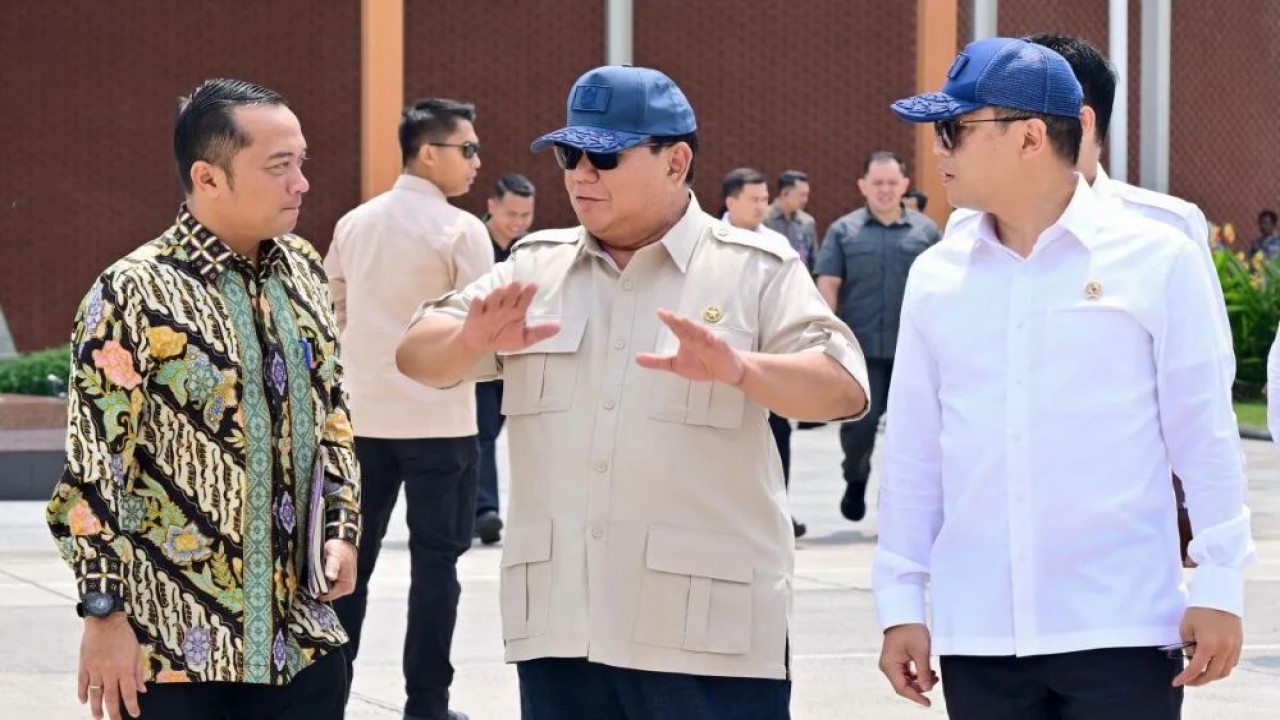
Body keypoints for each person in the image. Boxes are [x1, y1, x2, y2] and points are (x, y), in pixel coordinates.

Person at [396, 64, 869, 720]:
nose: (581, 173)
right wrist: (469, 339)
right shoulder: (535, 267)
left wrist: (743, 370)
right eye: (569, 153)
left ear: (676, 161)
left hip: (708, 643)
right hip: (564, 633)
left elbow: (843, 388)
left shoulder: (752, 269)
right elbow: (416, 353)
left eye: (605, 155)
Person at [875, 37, 1253, 719]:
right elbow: (913, 453)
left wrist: (1221, 584)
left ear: (1027, 138)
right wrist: (900, 601)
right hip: (980, 633)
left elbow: (1203, 430)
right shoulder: (936, 276)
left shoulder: (1156, 255)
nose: (938, 150)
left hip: (1122, 628)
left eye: (954, 129)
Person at [46, 78, 361, 720]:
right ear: (208, 178)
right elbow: (96, 470)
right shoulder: (133, 294)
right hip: (176, 655)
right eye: (280, 167)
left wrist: (342, 526)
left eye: (301, 162)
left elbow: (333, 416)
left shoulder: (302, 268)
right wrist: (103, 615)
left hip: (304, 642)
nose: (301, 182)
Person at [326, 98, 491, 720]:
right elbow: (483, 326)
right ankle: (427, 704)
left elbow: (331, 309)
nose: (477, 162)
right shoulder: (461, 230)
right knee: (436, 568)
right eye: (467, 149)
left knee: (347, 569)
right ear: (430, 152)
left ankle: (328, 699)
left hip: (362, 421)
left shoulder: (355, 222)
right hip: (442, 423)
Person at [814, 151, 939, 523]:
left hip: (911, 350)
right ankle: (855, 476)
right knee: (859, 425)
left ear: (903, 185)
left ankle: (902, 507)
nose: (885, 190)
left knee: (912, 433)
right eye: (877, 183)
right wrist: (824, 334)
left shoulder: (927, 233)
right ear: (863, 186)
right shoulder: (843, 231)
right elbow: (828, 285)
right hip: (861, 349)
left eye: (891, 183)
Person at [721, 167, 808, 539]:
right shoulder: (706, 242)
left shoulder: (778, 244)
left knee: (777, 434)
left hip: (768, 359)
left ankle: (779, 511)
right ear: (731, 202)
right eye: (754, 200)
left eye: (764, 199)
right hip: (722, 360)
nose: (762, 206)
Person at [474, 173, 537, 545]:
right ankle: (485, 512)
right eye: (511, 213)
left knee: (496, 434)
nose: (517, 222)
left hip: (515, 357)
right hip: (479, 359)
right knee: (481, 435)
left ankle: (479, 509)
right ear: (492, 206)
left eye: (526, 215)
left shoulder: (529, 251)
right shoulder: (471, 242)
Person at [763, 170, 818, 271]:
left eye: (806, 195)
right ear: (784, 193)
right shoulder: (763, 219)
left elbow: (813, 261)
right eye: (801, 195)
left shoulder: (807, 222)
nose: (805, 200)